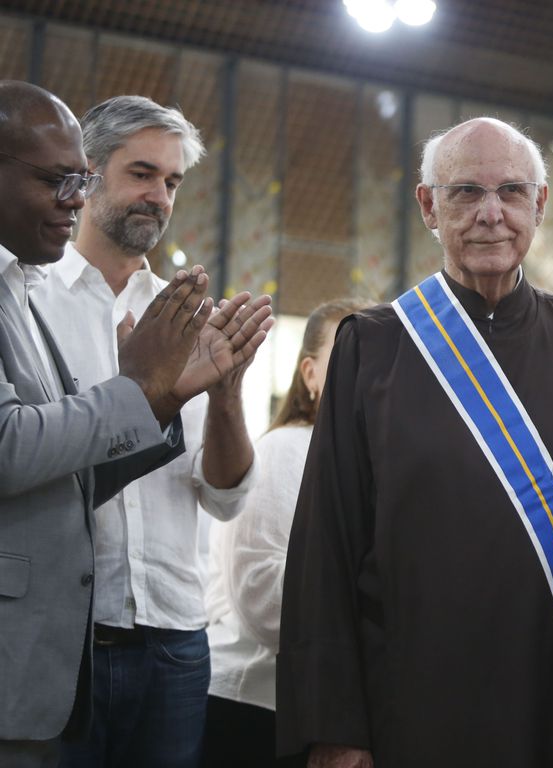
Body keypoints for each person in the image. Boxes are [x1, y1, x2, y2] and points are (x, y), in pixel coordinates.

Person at [276, 117, 553, 767]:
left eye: (512, 191)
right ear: (429, 206)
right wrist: (334, 725)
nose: (491, 213)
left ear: (540, 206)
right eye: (466, 192)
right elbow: (327, 547)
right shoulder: (371, 345)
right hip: (418, 706)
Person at [0, 81, 268, 768]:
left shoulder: (186, 314)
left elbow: (226, 496)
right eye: (142, 173)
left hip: (175, 633)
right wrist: (140, 390)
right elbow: (30, 454)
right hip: (72, 630)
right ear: (87, 177)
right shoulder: (33, 294)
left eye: (173, 181)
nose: (159, 196)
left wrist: (219, 393)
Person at [203, 298, 371, 768]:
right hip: (255, 706)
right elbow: (264, 597)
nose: (364, 373)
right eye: (347, 357)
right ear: (310, 375)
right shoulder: (286, 450)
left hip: (324, 710)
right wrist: (376, 615)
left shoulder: (374, 465)